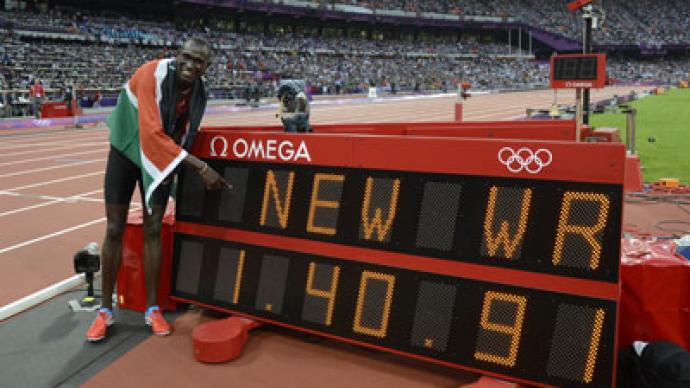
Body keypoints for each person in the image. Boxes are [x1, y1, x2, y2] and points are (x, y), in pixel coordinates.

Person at [86, 37, 227, 342]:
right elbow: (151, 132)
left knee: (154, 228)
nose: (190, 65)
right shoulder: (152, 73)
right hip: (127, 147)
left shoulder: (199, 92)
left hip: (160, 155)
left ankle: (152, 309)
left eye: (199, 61)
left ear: (207, 67)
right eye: (186, 57)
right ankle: (104, 311)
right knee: (114, 228)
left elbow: (185, 133)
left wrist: (178, 174)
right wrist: (201, 168)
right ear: (177, 54)